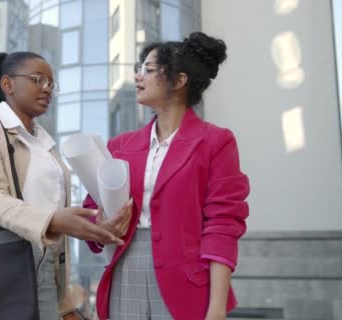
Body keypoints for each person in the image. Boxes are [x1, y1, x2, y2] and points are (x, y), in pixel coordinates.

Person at [84, 32, 250, 320]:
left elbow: (223, 224)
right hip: (125, 272)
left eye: (148, 69)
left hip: (187, 282)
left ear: (179, 80)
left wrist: (217, 309)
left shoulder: (216, 142)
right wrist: (100, 223)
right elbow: (91, 207)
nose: (138, 76)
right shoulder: (119, 146)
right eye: (140, 69)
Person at [0, 51, 124, 320]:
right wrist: (54, 220)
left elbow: (55, 221)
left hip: (45, 270)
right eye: (38, 80)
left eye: (51, 84)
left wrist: (90, 228)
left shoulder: (45, 144)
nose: (47, 89)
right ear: (7, 84)